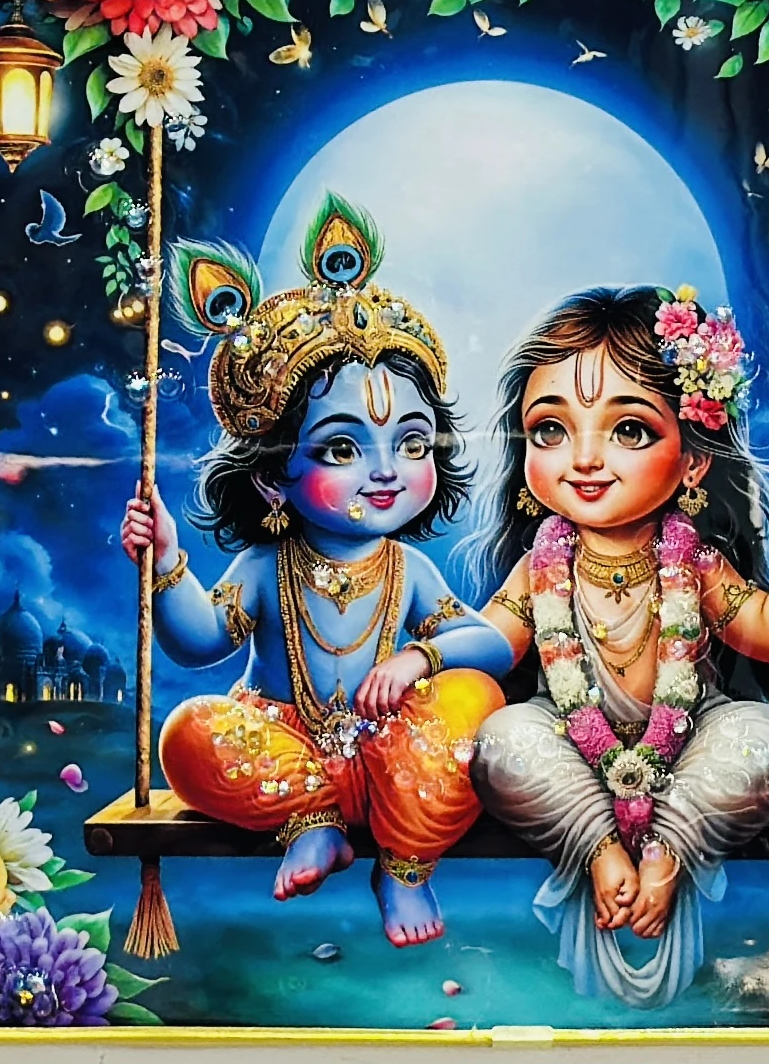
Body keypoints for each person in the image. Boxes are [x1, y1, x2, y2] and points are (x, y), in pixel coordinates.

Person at [120, 195, 512, 947]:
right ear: (273, 477)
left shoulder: (408, 568)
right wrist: (166, 560)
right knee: (187, 733)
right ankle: (312, 825)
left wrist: (419, 658)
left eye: (411, 444)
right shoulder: (264, 565)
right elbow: (198, 643)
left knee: (474, 699)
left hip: (397, 760)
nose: (385, 472)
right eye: (342, 449)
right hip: (289, 756)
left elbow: (489, 646)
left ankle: (404, 865)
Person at [467, 284, 769, 1006]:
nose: (585, 458)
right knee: (502, 739)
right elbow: (487, 644)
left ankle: (668, 850)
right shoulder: (540, 567)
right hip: (570, 752)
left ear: (693, 461)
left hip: (687, 751)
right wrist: (423, 647)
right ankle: (600, 850)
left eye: (628, 430)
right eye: (551, 430)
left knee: (768, 738)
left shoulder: (694, 563)